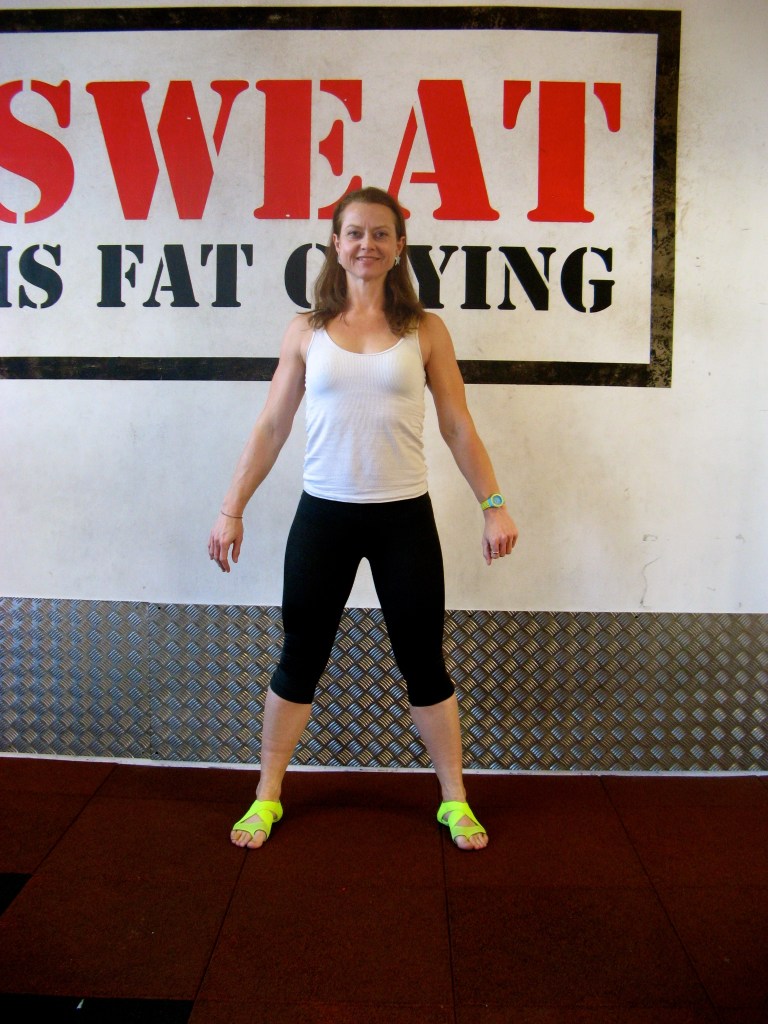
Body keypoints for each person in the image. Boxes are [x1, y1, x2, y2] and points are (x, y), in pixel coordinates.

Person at [208, 186, 518, 852]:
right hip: (324, 517)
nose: (366, 244)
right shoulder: (306, 330)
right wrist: (232, 508)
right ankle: (266, 796)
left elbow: (457, 425)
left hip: (403, 518)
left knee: (424, 662)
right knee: (299, 657)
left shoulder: (425, 330)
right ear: (336, 243)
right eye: (354, 232)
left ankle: (455, 800)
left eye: (380, 233)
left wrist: (493, 505)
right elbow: (271, 426)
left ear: (399, 246)